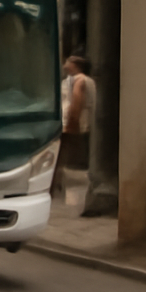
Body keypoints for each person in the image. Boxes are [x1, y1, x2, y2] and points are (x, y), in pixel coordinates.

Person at [55, 55, 92, 198]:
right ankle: (58, 185)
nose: (65, 65)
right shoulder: (81, 80)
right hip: (72, 123)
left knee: (59, 156)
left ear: (75, 65)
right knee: (62, 157)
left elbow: (76, 101)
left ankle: (56, 186)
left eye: (68, 62)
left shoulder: (79, 81)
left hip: (69, 123)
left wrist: (71, 123)